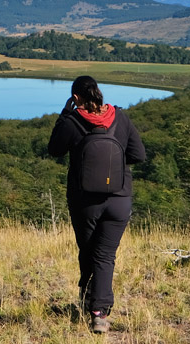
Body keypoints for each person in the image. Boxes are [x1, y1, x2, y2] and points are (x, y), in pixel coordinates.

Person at [48, 75, 146, 334]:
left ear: (76, 98)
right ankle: (99, 312)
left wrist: (63, 115)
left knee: (89, 250)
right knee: (104, 255)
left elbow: (54, 149)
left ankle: (90, 301)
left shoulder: (72, 121)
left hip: (84, 201)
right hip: (119, 200)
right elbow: (139, 154)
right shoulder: (120, 118)